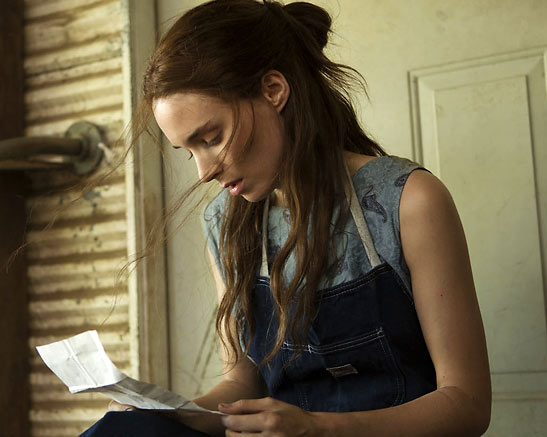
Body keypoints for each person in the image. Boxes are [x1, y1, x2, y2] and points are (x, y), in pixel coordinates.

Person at [81, 0, 491, 435]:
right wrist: (173, 411)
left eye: (212, 137)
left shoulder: (407, 201)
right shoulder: (224, 224)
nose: (203, 172)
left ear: (274, 90)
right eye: (189, 151)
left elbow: (466, 405)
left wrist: (316, 428)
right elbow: (242, 384)